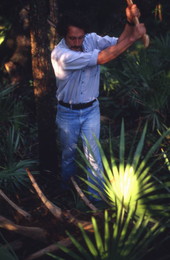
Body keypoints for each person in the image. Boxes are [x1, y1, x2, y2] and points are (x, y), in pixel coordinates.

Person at [51, 5, 146, 201]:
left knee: (94, 156)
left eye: (80, 37)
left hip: (91, 110)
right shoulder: (61, 55)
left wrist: (129, 22)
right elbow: (103, 57)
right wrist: (133, 38)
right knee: (68, 156)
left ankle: (95, 200)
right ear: (63, 36)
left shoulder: (91, 39)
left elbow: (118, 43)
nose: (77, 42)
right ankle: (67, 194)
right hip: (67, 112)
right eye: (72, 38)